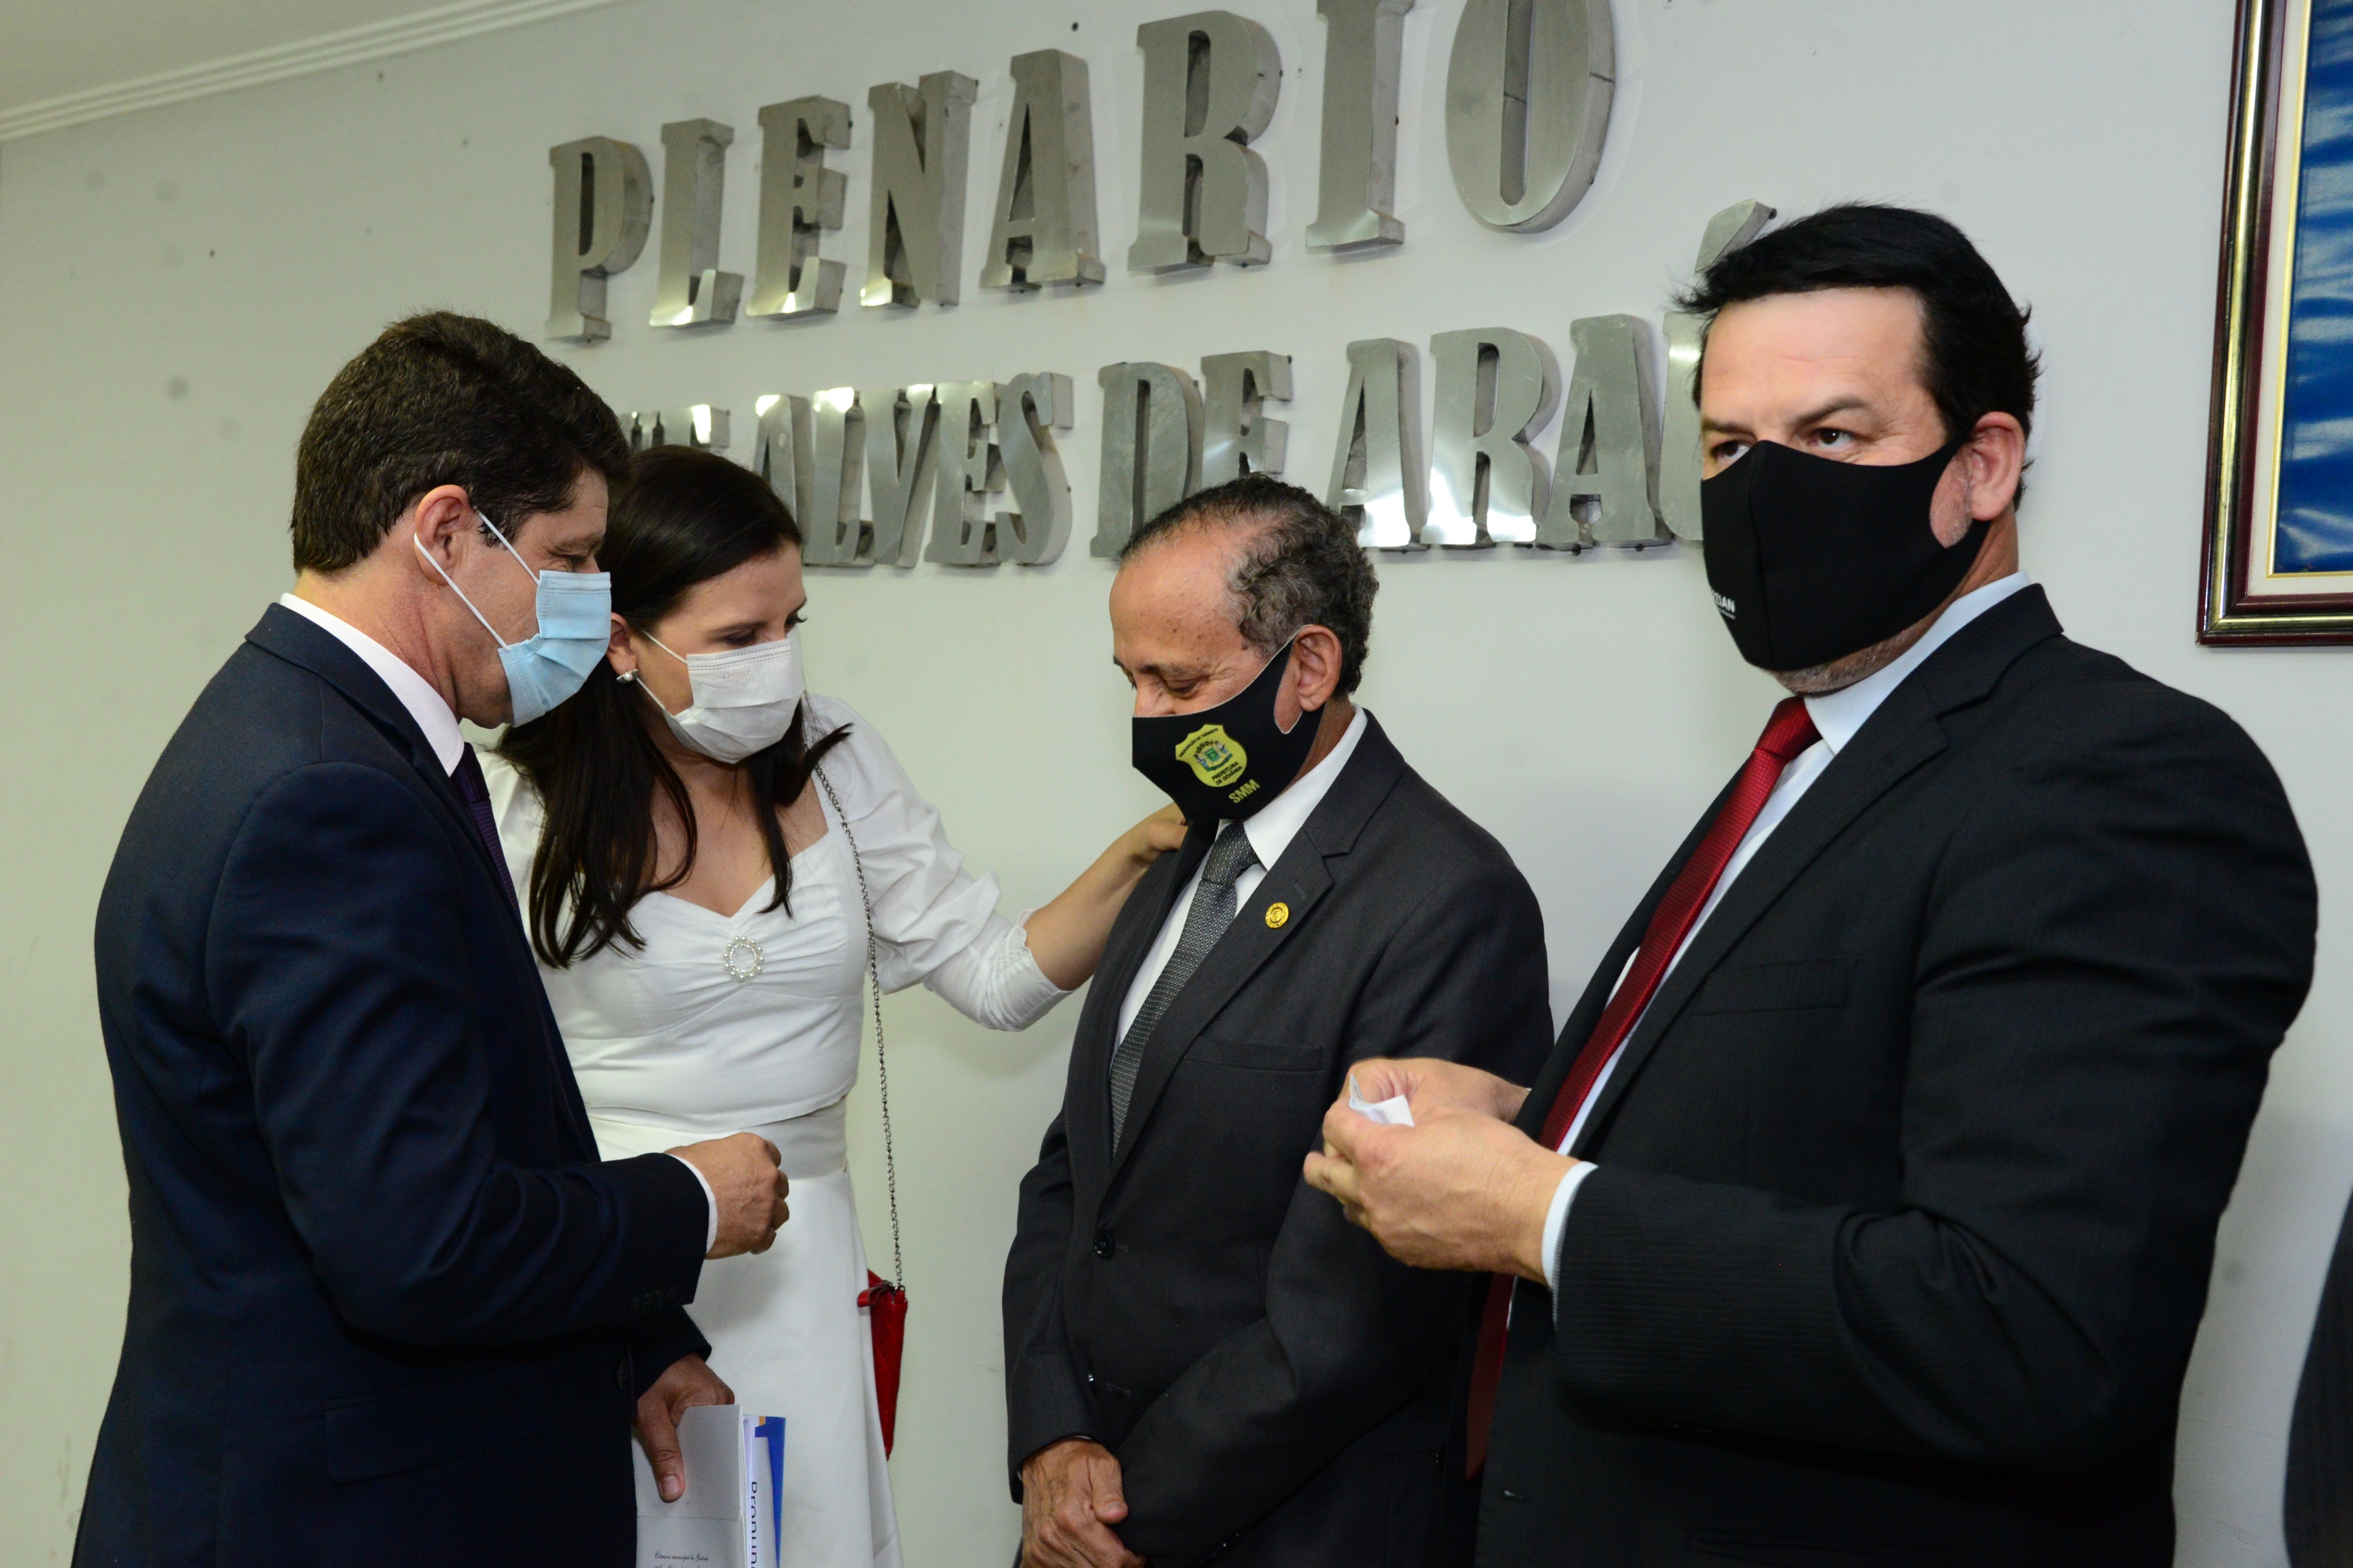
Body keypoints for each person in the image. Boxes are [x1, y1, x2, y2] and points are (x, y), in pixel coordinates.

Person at [1304, 204, 2320, 1567]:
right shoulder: (1818, 749)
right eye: (1730, 446)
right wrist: (1540, 1122)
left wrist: (1538, 1213)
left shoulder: (2119, 778)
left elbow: (2030, 1333)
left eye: (1833, 438)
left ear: (1982, 466)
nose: (1764, 492)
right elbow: (1823, 1115)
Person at [79, 313, 789, 1567]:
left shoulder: (309, 731)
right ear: (448, 530)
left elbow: (464, 1113)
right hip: (348, 1519)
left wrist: (638, 1340)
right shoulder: (327, 797)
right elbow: (420, 1243)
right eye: (571, 556)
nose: (593, 604)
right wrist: (688, 1201)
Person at [481, 445, 1186, 1568]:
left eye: (791, 623)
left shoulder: (838, 762)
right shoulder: (521, 806)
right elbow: (486, 1087)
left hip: (803, 1262)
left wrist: (1146, 852)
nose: (778, 663)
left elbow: (994, 976)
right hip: (605, 1269)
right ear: (621, 640)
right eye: (738, 638)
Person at [1001, 474, 1554, 1568]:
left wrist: (1121, 1513)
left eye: (1178, 681)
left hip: (1293, 1526)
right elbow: (1077, 1169)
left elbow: (1359, 1311)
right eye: (1130, 679)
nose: (1147, 718)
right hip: (1085, 1500)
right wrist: (1053, 1436)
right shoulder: (1185, 846)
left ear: (1309, 666)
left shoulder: (1448, 900)